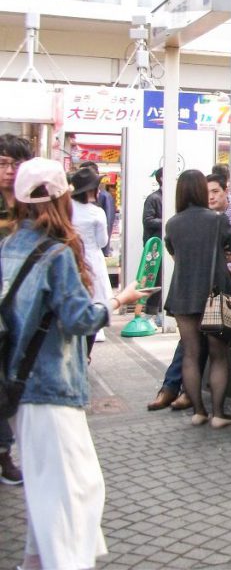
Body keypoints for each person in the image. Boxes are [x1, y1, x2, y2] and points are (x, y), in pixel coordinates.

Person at [1, 157, 145, 570]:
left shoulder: (8, 246)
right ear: (62, 196)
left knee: (48, 487)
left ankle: (34, 561)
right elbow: (78, 317)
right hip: (50, 385)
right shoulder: (57, 253)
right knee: (75, 491)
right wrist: (118, 300)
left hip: (16, 386)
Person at [147, 172, 231, 412]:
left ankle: (198, 412)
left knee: (190, 354)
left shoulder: (172, 223)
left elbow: (175, 254)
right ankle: (218, 414)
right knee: (219, 356)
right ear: (200, 190)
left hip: (183, 292)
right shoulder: (218, 220)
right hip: (214, 291)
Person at [0, 133, 32, 487]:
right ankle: (4, 453)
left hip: (24, 313)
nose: (9, 172)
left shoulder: (34, 209)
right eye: (2, 163)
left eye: (15, 164)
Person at [70, 168, 114, 348]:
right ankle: (88, 350)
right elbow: (102, 241)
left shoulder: (66, 207)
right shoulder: (96, 213)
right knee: (95, 300)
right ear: (90, 190)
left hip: (71, 256)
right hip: (93, 260)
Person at [142, 167, 164, 321]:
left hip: (167, 243)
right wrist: (167, 220)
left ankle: (162, 312)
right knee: (155, 277)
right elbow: (148, 220)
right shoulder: (154, 198)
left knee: (165, 277)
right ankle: (151, 312)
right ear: (161, 178)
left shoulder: (171, 197)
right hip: (156, 245)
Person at [81, 161, 115, 256]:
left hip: (96, 251)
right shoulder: (76, 199)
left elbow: (108, 224)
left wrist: (105, 251)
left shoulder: (104, 197)